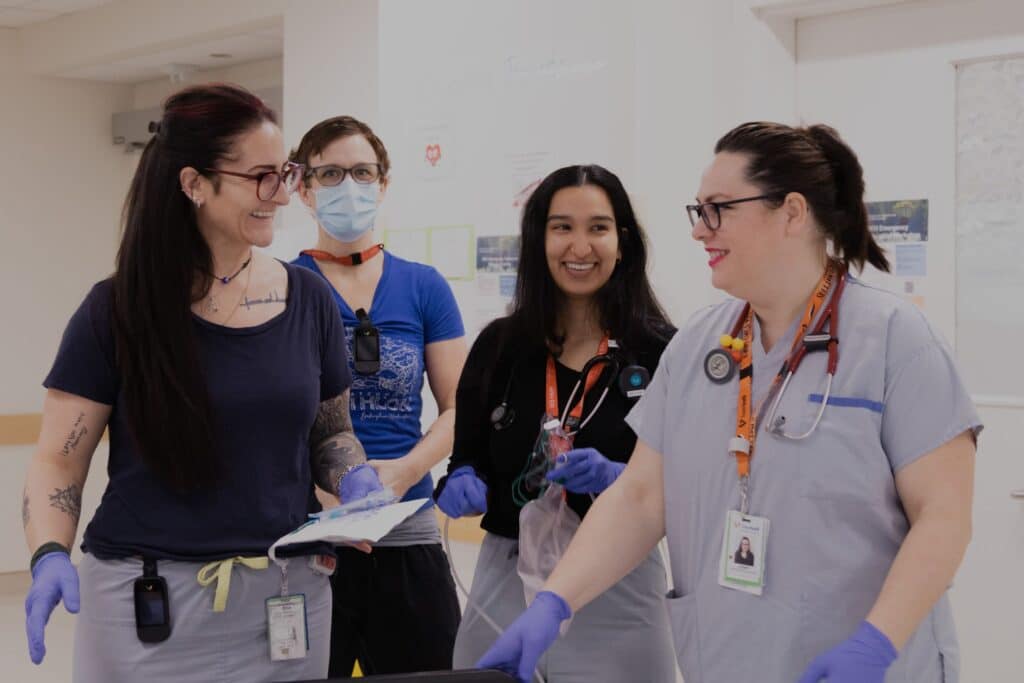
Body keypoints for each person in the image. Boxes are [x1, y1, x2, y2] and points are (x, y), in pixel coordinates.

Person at [476, 123, 979, 683]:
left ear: (791, 212)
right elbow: (641, 497)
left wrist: (876, 643)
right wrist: (556, 601)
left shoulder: (895, 341)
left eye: (717, 210)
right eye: (699, 211)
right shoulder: (699, 346)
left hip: (862, 663)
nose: (699, 231)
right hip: (730, 660)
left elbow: (943, 516)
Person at [21, 84, 383, 683]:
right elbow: (59, 461)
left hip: (285, 597)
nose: (281, 195)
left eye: (284, 174)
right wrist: (49, 554)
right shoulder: (117, 310)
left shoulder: (308, 299)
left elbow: (330, 433)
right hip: (147, 605)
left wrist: (354, 478)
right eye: (261, 177)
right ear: (194, 184)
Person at [435, 164, 678, 682]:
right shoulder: (500, 348)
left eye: (598, 227)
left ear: (622, 241)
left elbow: (687, 480)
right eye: (562, 227)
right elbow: (467, 455)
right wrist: (462, 481)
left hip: (618, 577)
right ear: (538, 240)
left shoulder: (661, 352)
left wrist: (622, 480)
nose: (580, 246)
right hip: (507, 575)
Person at [290, 115, 467, 677]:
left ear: (383, 184)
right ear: (303, 189)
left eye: (362, 172)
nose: (348, 186)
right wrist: (320, 493)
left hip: (406, 531)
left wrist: (403, 472)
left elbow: (459, 406)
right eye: (330, 173)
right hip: (311, 538)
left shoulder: (423, 287)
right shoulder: (283, 289)